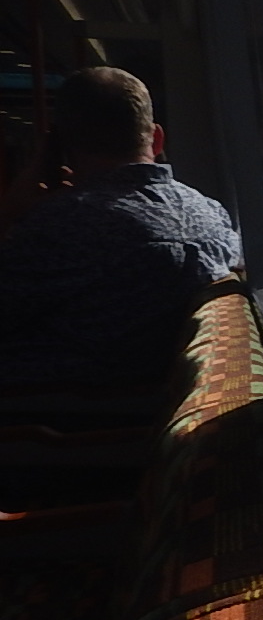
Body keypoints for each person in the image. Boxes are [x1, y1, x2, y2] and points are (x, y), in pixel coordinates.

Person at [0, 67, 242, 387]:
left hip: (54, 405)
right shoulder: (212, 213)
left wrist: (8, 216)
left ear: (59, 147)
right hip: (144, 397)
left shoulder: (57, 226)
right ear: (157, 138)